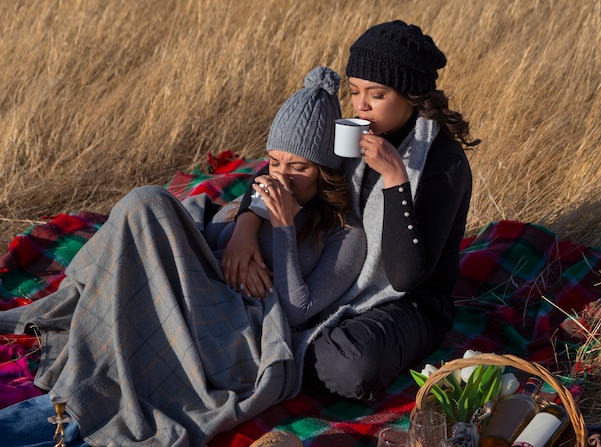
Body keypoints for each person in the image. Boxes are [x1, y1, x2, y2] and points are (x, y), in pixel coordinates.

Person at [0, 66, 366, 446]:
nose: (281, 177)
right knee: (144, 205)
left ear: (326, 170)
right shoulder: (263, 191)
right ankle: (73, 308)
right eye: (275, 162)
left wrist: (284, 228)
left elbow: (297, 311)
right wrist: (245, 227)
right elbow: (219, 233)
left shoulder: (346, 233)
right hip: (203, 284)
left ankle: (85, 386)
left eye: (299, 167)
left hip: (239, 329)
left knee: (149, 204)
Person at [222, 20, 479, 401]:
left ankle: (271, 346)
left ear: (409, 94)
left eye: (376, 94)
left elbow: (406, 277)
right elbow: (281, 166)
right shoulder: (354, 133)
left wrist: (395, 177)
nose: (360, 105)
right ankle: (273, 342)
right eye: (355, 90)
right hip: (334, 273)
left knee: (349, 367)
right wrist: (245, 226)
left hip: (410, 304)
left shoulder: (443, 164)